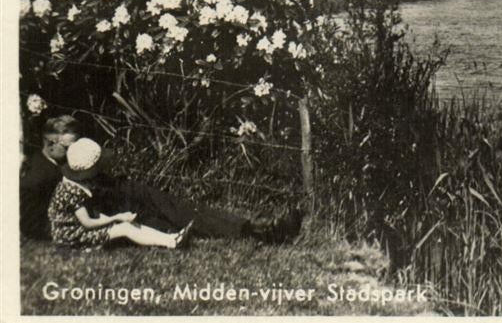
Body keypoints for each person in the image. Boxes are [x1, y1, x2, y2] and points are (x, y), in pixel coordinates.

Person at [20, 115, 301, 244]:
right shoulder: (37, 177)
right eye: (70, 146)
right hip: (101, 210)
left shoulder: (64, 162)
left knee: (172, 205)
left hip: (112, 194)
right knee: (164, 219)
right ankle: (254, 230)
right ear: (51, 143)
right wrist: (82, 225)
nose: (75, 151)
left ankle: (253, 227)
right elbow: (34, 223)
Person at [49, 138, 192, 250]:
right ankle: (171, 242)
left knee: (126, 224)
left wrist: (116, 218)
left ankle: (171, 238)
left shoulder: (72, 183)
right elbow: (88, 223)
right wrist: (116, 217)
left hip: (76, 230)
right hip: (73, 238)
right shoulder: (72, 192)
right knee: (124, 228)